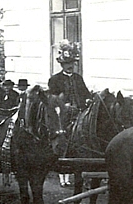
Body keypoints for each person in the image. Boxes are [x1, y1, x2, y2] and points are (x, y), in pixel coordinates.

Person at [48, 39, 92, 187]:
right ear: (62, 65)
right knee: (63, 137)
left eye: (72, 64)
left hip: (79, 112)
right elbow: (52, 98)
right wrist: (64, 105)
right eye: (67, 64)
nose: (70, 66)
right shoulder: (54, 79)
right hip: (62, 114)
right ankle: (62, 174)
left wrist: (88, 100)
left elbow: (85, 93)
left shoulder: (78, 78)